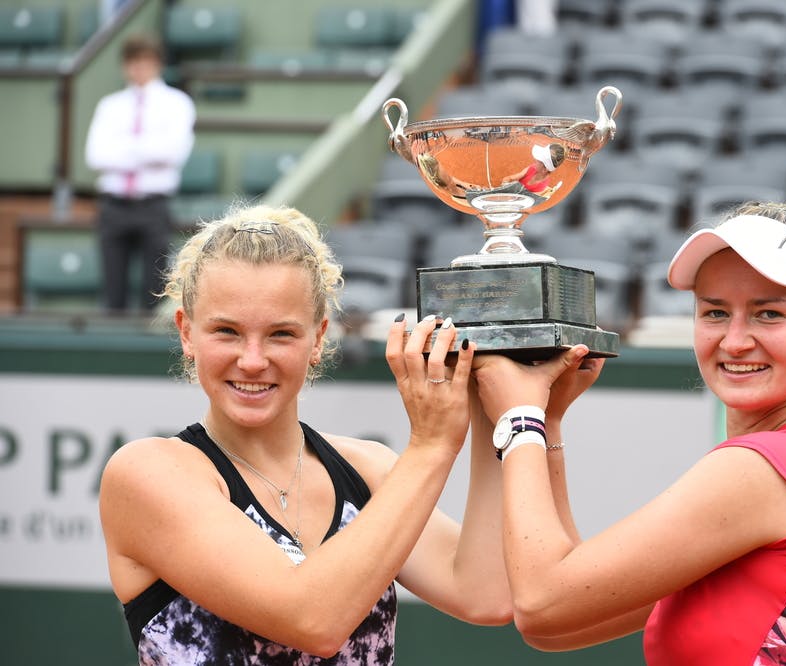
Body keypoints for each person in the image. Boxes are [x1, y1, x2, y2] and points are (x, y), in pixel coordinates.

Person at [471, 201, 786, 664]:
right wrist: (547, 420)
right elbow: (562, 626)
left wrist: (520, 418)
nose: (734, 341)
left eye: (768, 314)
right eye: (714, 313)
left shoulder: (770, 467)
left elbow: (541, 604)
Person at [98, 203, 511, 663]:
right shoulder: (147, 473)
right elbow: (313, 621)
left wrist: (498, 409)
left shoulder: (368, 469)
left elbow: (485, 594)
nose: (253, 360)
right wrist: (432, 446)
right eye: (227, 331)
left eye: (281, 334)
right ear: (187, 333)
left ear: (318, 338)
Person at [85, 33, 195, 313]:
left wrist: (123, 150)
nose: (138, 68)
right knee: (113, 296)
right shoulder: (110, 106)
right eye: (132, 61)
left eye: (145, 60)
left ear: (157, 63)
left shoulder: (177, 103)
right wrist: (146, 148)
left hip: (153, 206)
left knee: (153, 293)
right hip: (113, 206)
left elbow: (172, 152)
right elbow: (96, 155)